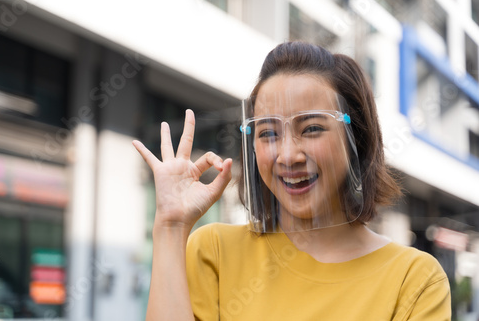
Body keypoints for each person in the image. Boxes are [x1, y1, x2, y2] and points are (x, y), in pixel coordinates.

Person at [132, 42, 451, 320]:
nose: (287, 155)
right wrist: (171, 228)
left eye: (312, 128)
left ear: (356, 138)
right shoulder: (214, 252)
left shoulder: (414, 279)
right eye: (268, 133)